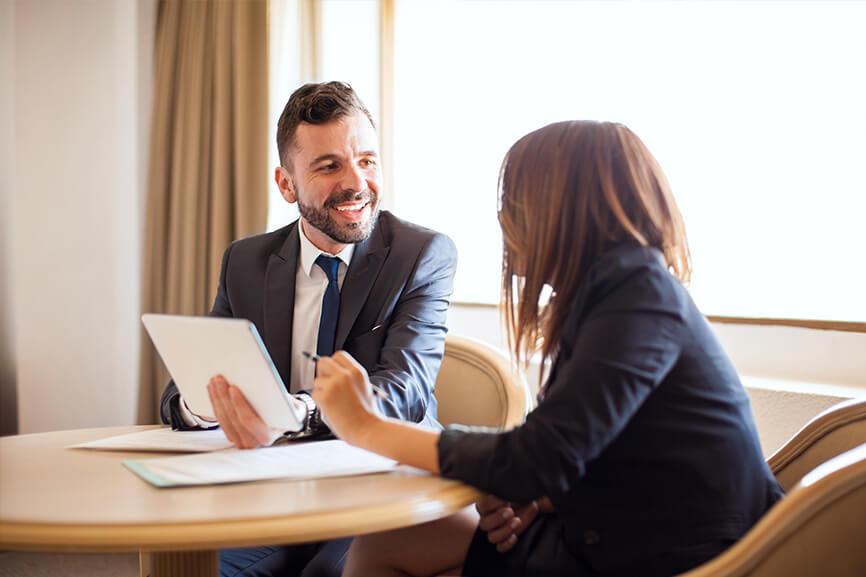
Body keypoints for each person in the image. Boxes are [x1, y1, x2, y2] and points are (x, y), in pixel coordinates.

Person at [312, 120, 784, 577]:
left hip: (675, 558)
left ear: (564, 207)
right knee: (390, 539)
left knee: (389, 543)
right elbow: (597, 446)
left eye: (513, 198)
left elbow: (538, 456)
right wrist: (543, 499)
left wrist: (366, 426)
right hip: (623, 535)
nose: (502, 217)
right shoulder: (612, 294)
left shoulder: (637, 295)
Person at [158, 81, 457, 577]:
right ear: (286, 183)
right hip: (273, 490)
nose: (356, 182)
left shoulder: (421, 254)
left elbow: (405, 391)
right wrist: (211, 402)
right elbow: (179, 394)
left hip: (379, 483)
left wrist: (290, 414)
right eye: (329, 165)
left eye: (366, 160)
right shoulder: (245, 261)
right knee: (196, 568)